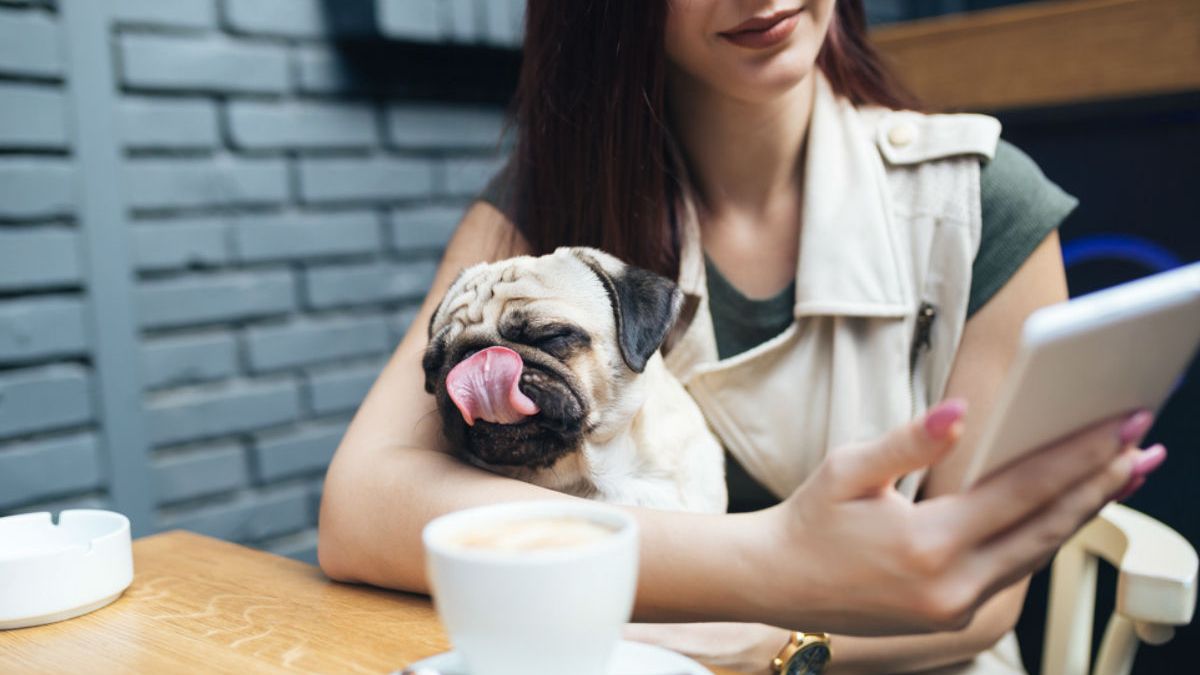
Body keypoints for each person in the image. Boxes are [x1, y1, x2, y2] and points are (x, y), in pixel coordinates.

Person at [318, 1, 1166, 673]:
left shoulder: (980, 203)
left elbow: (976, 600)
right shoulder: (542, 208)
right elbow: (362, 508)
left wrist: (758, 641)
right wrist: (773, 557)